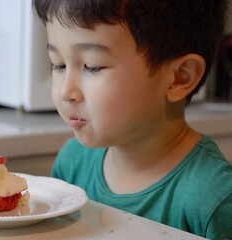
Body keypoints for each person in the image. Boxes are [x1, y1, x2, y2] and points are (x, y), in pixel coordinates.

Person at [32, 0, 232, 239]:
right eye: (59, 65)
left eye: (92, 66)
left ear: (180, 77)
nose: (66, 92)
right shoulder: (72, 163)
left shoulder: (213, 198)